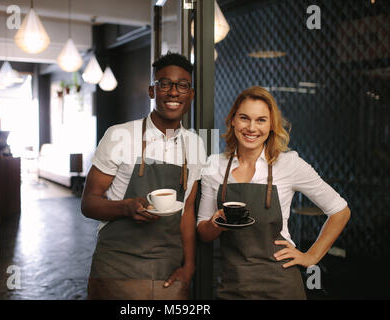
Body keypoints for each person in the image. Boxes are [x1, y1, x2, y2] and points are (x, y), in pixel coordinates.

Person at [197, 86, 351, 299]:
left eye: (261, 120)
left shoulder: (288, 164)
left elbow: (340, 211)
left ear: (271, 126)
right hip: (234, 285)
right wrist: (216, 222)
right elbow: (203, 233)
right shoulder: (214, 166)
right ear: (233, 120)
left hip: (281, 285)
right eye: (244, 118)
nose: (251, 127)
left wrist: (312, 256)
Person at [81, 52, 206, 300]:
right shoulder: (119, 135)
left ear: (190, 95)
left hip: (168, 271)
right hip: (117, 269)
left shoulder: (195, 145)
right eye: (164, 84)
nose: (173, 92)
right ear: (152, 91)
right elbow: (88, 203)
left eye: (182, 85)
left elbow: (188, 211)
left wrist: (189, 266)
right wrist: (126, 208)